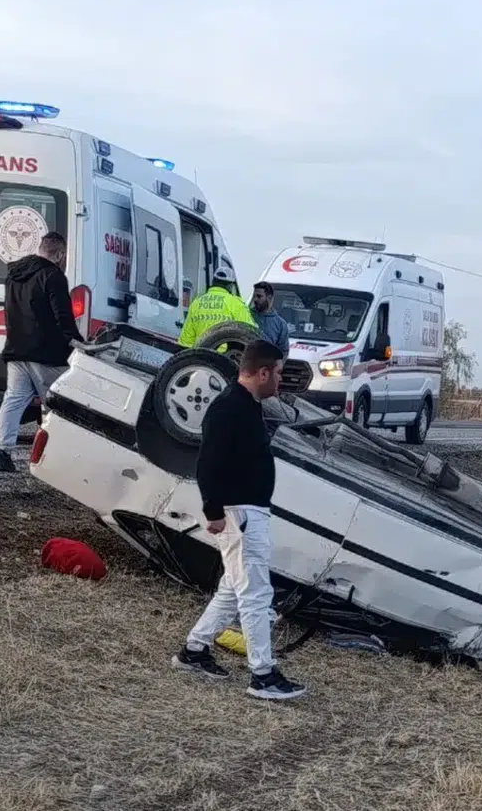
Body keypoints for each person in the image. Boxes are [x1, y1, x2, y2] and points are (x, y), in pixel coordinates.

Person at [172, 340, 307, 701]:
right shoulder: (230, 408)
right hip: (239, 514)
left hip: (246, 511)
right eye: (277, 373)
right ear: (262, 372)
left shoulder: (246, 406)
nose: (280, 380)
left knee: (233, 590)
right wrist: (213, 511)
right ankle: (262, 674)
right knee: (255, 593)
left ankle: (194, 650)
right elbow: (207, 463)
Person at [0, 232, 81, 473]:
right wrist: (77, 342)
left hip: (16, 350)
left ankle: (1, 453)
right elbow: (62, 316)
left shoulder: (14, 275)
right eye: (63, 256)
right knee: (57, 405)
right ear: (59, 254)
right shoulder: (54, 276)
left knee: (13, 400)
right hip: (47, 354)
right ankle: (54, 459)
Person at [177, 266, 256, 348]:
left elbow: (186, 341)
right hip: (224, 358)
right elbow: (251, 334)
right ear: (230, 285)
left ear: (213, 281)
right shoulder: (236, 304)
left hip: (200, 356)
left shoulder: (196, 303)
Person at [249, 281, 290, 357]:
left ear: (269, 298)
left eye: (259, 296)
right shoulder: (247, 315)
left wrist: (277, 367)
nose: (255, 299)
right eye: (254, 296)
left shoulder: (280, 324)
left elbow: (283, 350)